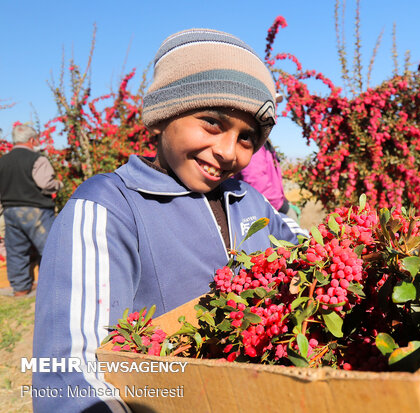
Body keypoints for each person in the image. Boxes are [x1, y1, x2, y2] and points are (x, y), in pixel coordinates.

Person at [32, 28, 306, 412]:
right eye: (212, 122)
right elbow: (69, 376)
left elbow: (312, 253)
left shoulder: (252, 204)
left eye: (247, 138)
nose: (228, 151)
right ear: (162, 117)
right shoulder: (108, 209)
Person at [0, 124, 62, 296]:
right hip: (37, 211)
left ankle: (20, 290)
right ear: (32, 140)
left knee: (16, 252)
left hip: (11, 211)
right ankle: (51, 289)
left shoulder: (2, 161)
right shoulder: (38, 159)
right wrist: (59, 185)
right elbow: (46, 184)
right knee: (49, 248)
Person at [235, 136, 300, 223]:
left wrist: (284, 201)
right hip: (267, 209)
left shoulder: (263, 145)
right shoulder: (256, 147)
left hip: (270, 207)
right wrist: (282, 207)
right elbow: (257, 184)